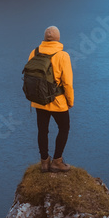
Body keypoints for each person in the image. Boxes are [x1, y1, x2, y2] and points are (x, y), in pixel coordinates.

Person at [27, 25, 74, 173]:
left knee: (42, 130)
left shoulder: (34, 52)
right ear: (58, 38)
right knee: (64, 128)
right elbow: (67, 83)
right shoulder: (62, 56)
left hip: (39, 101)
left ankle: (44, 162)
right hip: (57, 101)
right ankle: (57, 161)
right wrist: (70, 101)